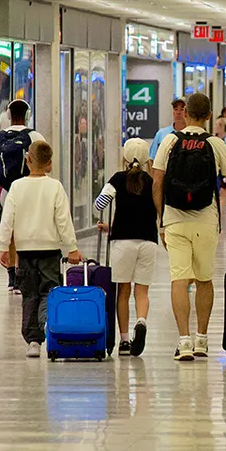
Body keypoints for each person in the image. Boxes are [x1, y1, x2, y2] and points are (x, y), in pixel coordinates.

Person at [153, 93, 226, 361]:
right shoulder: (215, 143)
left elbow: (157, 182)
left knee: (179, 280)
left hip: (174, 219)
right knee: (204, 280)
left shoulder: (169, 141)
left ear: (186, 113)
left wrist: (161, 220)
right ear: (209, 116)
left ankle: (184, 342)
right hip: (206, 219)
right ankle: (201, 339)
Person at [0, 141, 82, 358]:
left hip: (25, 252)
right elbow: (63, 220)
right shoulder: (55, 187)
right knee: (49, 291)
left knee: (29, 295)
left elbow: (7, 219)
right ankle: (47, 322)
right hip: (50, 251)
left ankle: (33, 341)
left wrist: (3, 246)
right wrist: (71, 247)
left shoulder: (17, 187)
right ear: (49, 163)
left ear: (27, 161)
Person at [95, 138, 158, 357]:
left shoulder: (118, 178)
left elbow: (99, 203)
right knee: (142, 291)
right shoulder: (151, 181)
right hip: (148, 240)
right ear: (147, 160)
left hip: (122, 241)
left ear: (124, 157)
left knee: (123, 291)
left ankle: (123, 341)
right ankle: (141, 322)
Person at [0, 98, 47, 291]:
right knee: (26, 229)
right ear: (27, 115)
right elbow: (45, 163)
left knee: (10, 229)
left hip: (5, 190)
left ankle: (12, 277)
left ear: (9, 115)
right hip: (29, 189)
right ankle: (23, 272)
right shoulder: (35, 136)